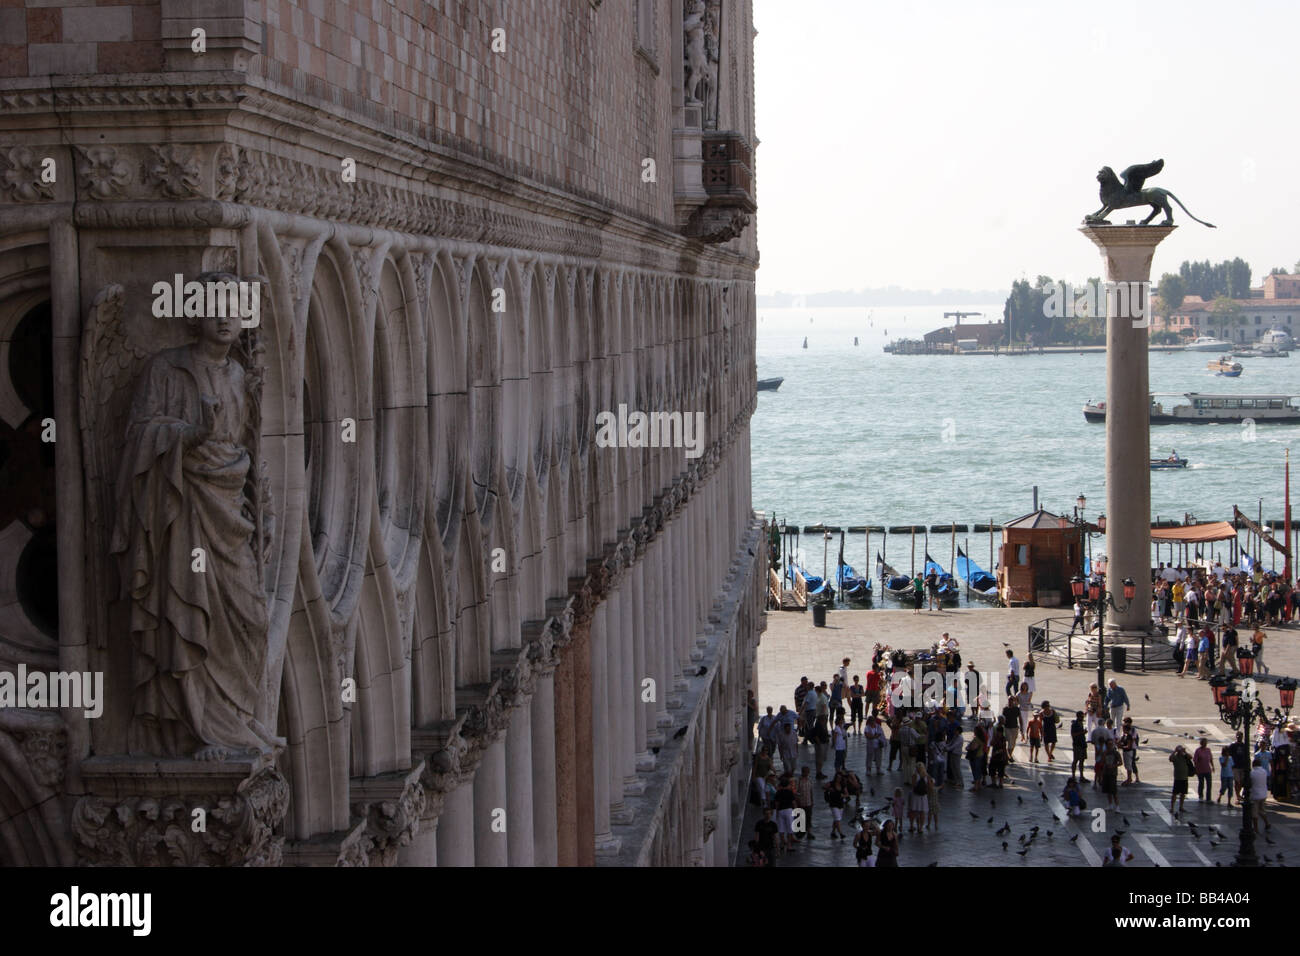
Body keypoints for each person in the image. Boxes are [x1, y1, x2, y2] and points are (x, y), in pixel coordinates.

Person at [773, 774, 797, 854]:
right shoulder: (790, 792)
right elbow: (793, 803)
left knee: (781, 829)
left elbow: (777, 803)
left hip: (780, 811)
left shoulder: (778, 792)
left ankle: (782, 844)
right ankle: (789, 845)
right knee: (790, 829)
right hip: (789, 810)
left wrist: (776, 812)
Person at [1169, 744, 1194, 814]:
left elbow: (1191, 757)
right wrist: (1174, 751)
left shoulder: (1185, 756)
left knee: (1183, 794)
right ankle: (1172, 807)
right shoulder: (1175, 757)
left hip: (1184, 777)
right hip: (1178, 778)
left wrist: (1185, 752)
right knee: (1174, 794)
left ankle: (1181, 807)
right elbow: (1170, 758)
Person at [1250, 755, 1271, 833]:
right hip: (1263, 794)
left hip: (1255, 795)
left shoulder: (1252, 773)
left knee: (1254, 813)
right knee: (1262, 810)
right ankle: (1267, 823)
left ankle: (1256, 829)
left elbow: (1249, 782)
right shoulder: (1264, 771)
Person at [795, 766, 816, 841]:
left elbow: (811, 791)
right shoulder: (798, 781)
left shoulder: (809, 780)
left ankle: (809, 833)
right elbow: (796, 792)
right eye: (805, 772)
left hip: (808, 802)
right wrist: (798, 800)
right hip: (801, 802)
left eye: (807, 772)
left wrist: (812, 800)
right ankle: (799, 833)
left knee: (809, 818)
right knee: (801, 818)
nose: (807, 773)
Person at [824, 775, 847, 839]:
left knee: (836, 819)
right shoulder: (831, 783)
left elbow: (847, 794)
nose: (839, 779)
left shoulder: (842, 785)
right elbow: (823, 787)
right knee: (837, 819)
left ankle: (833, 832)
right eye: (837, 778)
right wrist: (829, 789)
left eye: (840, 778)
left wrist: (843, 795)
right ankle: (841, 833)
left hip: (840, 804)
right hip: (833, 804)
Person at [908, 766, 929, 833]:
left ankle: (911, 826)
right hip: (923, 797)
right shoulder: (926, 775)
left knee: (913, 811)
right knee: (922, 813)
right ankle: (920, 828)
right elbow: (929, 786)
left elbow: (913, 785)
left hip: (915, 796)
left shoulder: (915, 775)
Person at [1193, 737, 1214, 802]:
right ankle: (1201, 796)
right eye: (1203, 743)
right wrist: (1196, 768)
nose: (1204, 744)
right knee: (1201, 784)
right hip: (1200, 770)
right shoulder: (1198, 750)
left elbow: (1210, 759)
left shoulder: (1208, 750)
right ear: (1201, 743)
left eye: (1205, 743)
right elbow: (1195, 760)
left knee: (1209, 784)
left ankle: (1208, 798)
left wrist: (1213, 766)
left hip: (1208, 769)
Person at [1101, 739, 1121, 809]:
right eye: (1109, 744)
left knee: (1114, 791)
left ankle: (1117, 805)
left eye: (1111, 744)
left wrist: (1113, 766)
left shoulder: (1116, 753)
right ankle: (1110, 804)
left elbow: (1120, 763)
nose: (1110, 746)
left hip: (1113, 773)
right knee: (1107, 790)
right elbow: (1102, 762)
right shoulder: (1104, 752)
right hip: (1106, 773)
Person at [1070, 710, 1089, 780]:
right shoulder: (1075, 724)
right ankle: (1073, 776)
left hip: (1082, 744)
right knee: (1075, 760)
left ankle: (1081, 776)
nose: (1083, 717)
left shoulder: (1081, 723)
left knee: (1082, 760)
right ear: (1078, 716)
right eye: (1081, 716)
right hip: (1077, 745)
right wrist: (1082, 732)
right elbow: (1073, 734)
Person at [1001, 695, 1020, 760]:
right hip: (1007, 727)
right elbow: (1003, 718)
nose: (1010, 701)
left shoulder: (1016, 709)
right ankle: (1009, 756)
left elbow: (1019, 718)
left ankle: (1010, 755)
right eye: (1009, 700)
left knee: (1013, 742)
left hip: (1015, 727)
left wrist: (1022, 727)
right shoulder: (1005, 709)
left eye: (1012, 700)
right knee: (1010, 741)